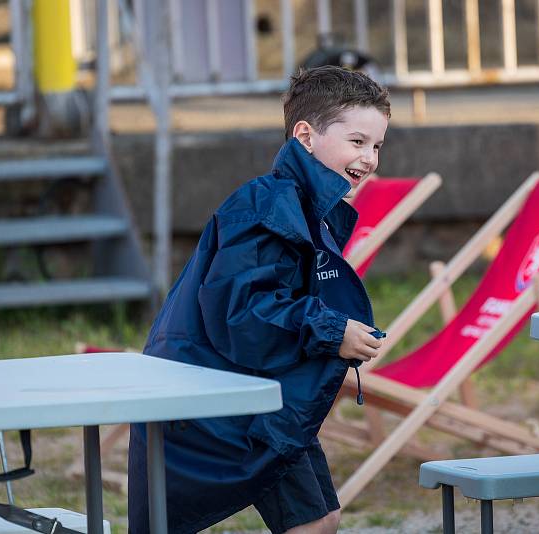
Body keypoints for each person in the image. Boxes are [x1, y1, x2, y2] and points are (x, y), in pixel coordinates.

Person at [128, 66, 390, 534]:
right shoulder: (268, 208)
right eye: (357, 142)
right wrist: (332, 332)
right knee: (311, 524)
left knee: (322, 518)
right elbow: (242, 312)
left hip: (264, 389)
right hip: (219, 393)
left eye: (376, 145)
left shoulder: (309, 209)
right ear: (305, 136)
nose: (369, 158)